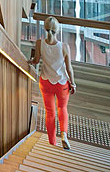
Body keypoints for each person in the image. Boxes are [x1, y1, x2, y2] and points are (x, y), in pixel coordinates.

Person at [29, 16, 76, 150]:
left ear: (45, 29)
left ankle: (52, 142)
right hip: (61, 84)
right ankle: (64, 135)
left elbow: (36, 60)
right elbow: (69, 69)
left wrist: (30, 61)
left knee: (50, 112)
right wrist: (73, 83)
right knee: (62, 108)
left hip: (45, 82)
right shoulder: (64, 47)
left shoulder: (40, 43)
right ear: (58, 30)